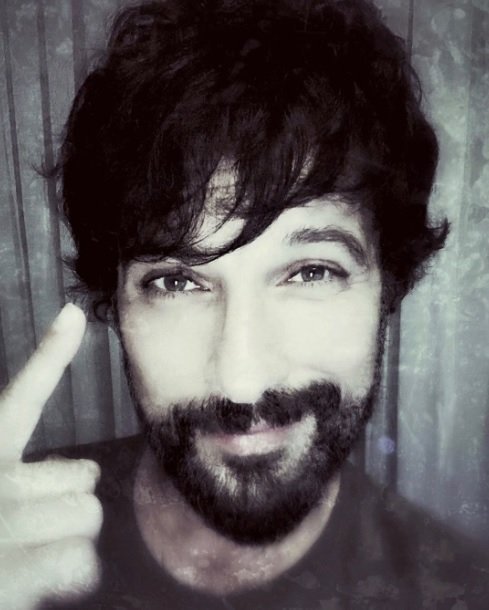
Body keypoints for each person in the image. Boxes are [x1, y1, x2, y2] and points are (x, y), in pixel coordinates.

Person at [0, 0, 487, 608]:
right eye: (178, 283)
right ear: (115, 303)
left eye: (311, 272)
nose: (242, 383)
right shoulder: (14, 532)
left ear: (388, 285)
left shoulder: (461, 592)